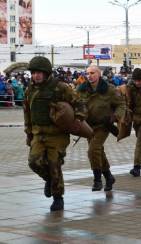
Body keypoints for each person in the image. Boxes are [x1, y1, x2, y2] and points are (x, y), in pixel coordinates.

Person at [23, 56, 87, 211]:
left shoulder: (60, 87)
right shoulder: (30, 90)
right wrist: (28, 132)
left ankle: (58, 198)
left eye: (39, 73)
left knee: (54, 164)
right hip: (38, 133)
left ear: (46, 73)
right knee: (34, 162)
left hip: (57, 134)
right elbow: (27, 112)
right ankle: (50, 180)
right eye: (33, 73)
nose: (35, 76)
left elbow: (79, 103)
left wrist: (78, 119)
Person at [77, 65, 126, 191]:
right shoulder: (81, 89)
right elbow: (75, 104)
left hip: (103, 125)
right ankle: (109, 177)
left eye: (93, 73)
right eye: (87, 73)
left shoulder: (109, 89)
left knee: (93, 150)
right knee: (98, 152)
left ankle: (97, 179)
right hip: (88, 126)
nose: (90, 75)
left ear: (98, 74)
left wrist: (115, 117)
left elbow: (121, 105)